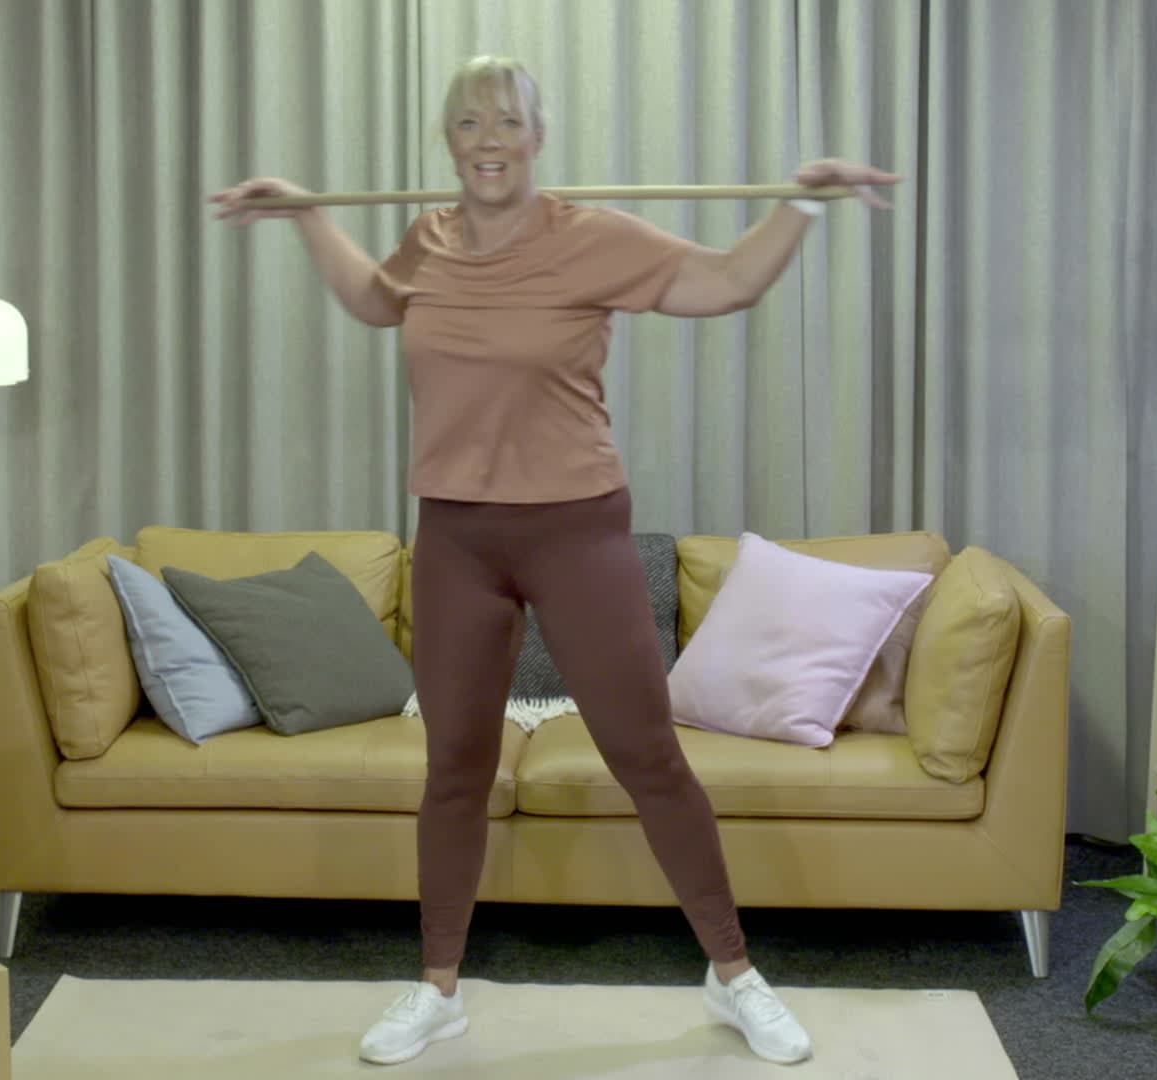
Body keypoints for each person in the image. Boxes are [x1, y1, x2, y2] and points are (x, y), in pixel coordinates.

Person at [210, 54, 899, 1068]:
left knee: (646, 755)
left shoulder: (593, 238)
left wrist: (801, 203)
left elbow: (725, 283)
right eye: (469, 122)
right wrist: (307, 213)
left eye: (507, 121)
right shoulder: (428, 240)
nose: (487, 140)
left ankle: (733, 973)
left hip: (576, 530)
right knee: (454, 768)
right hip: (456, 537)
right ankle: (438, 988)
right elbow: (374, 299)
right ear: (449, 142)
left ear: (538, 137)